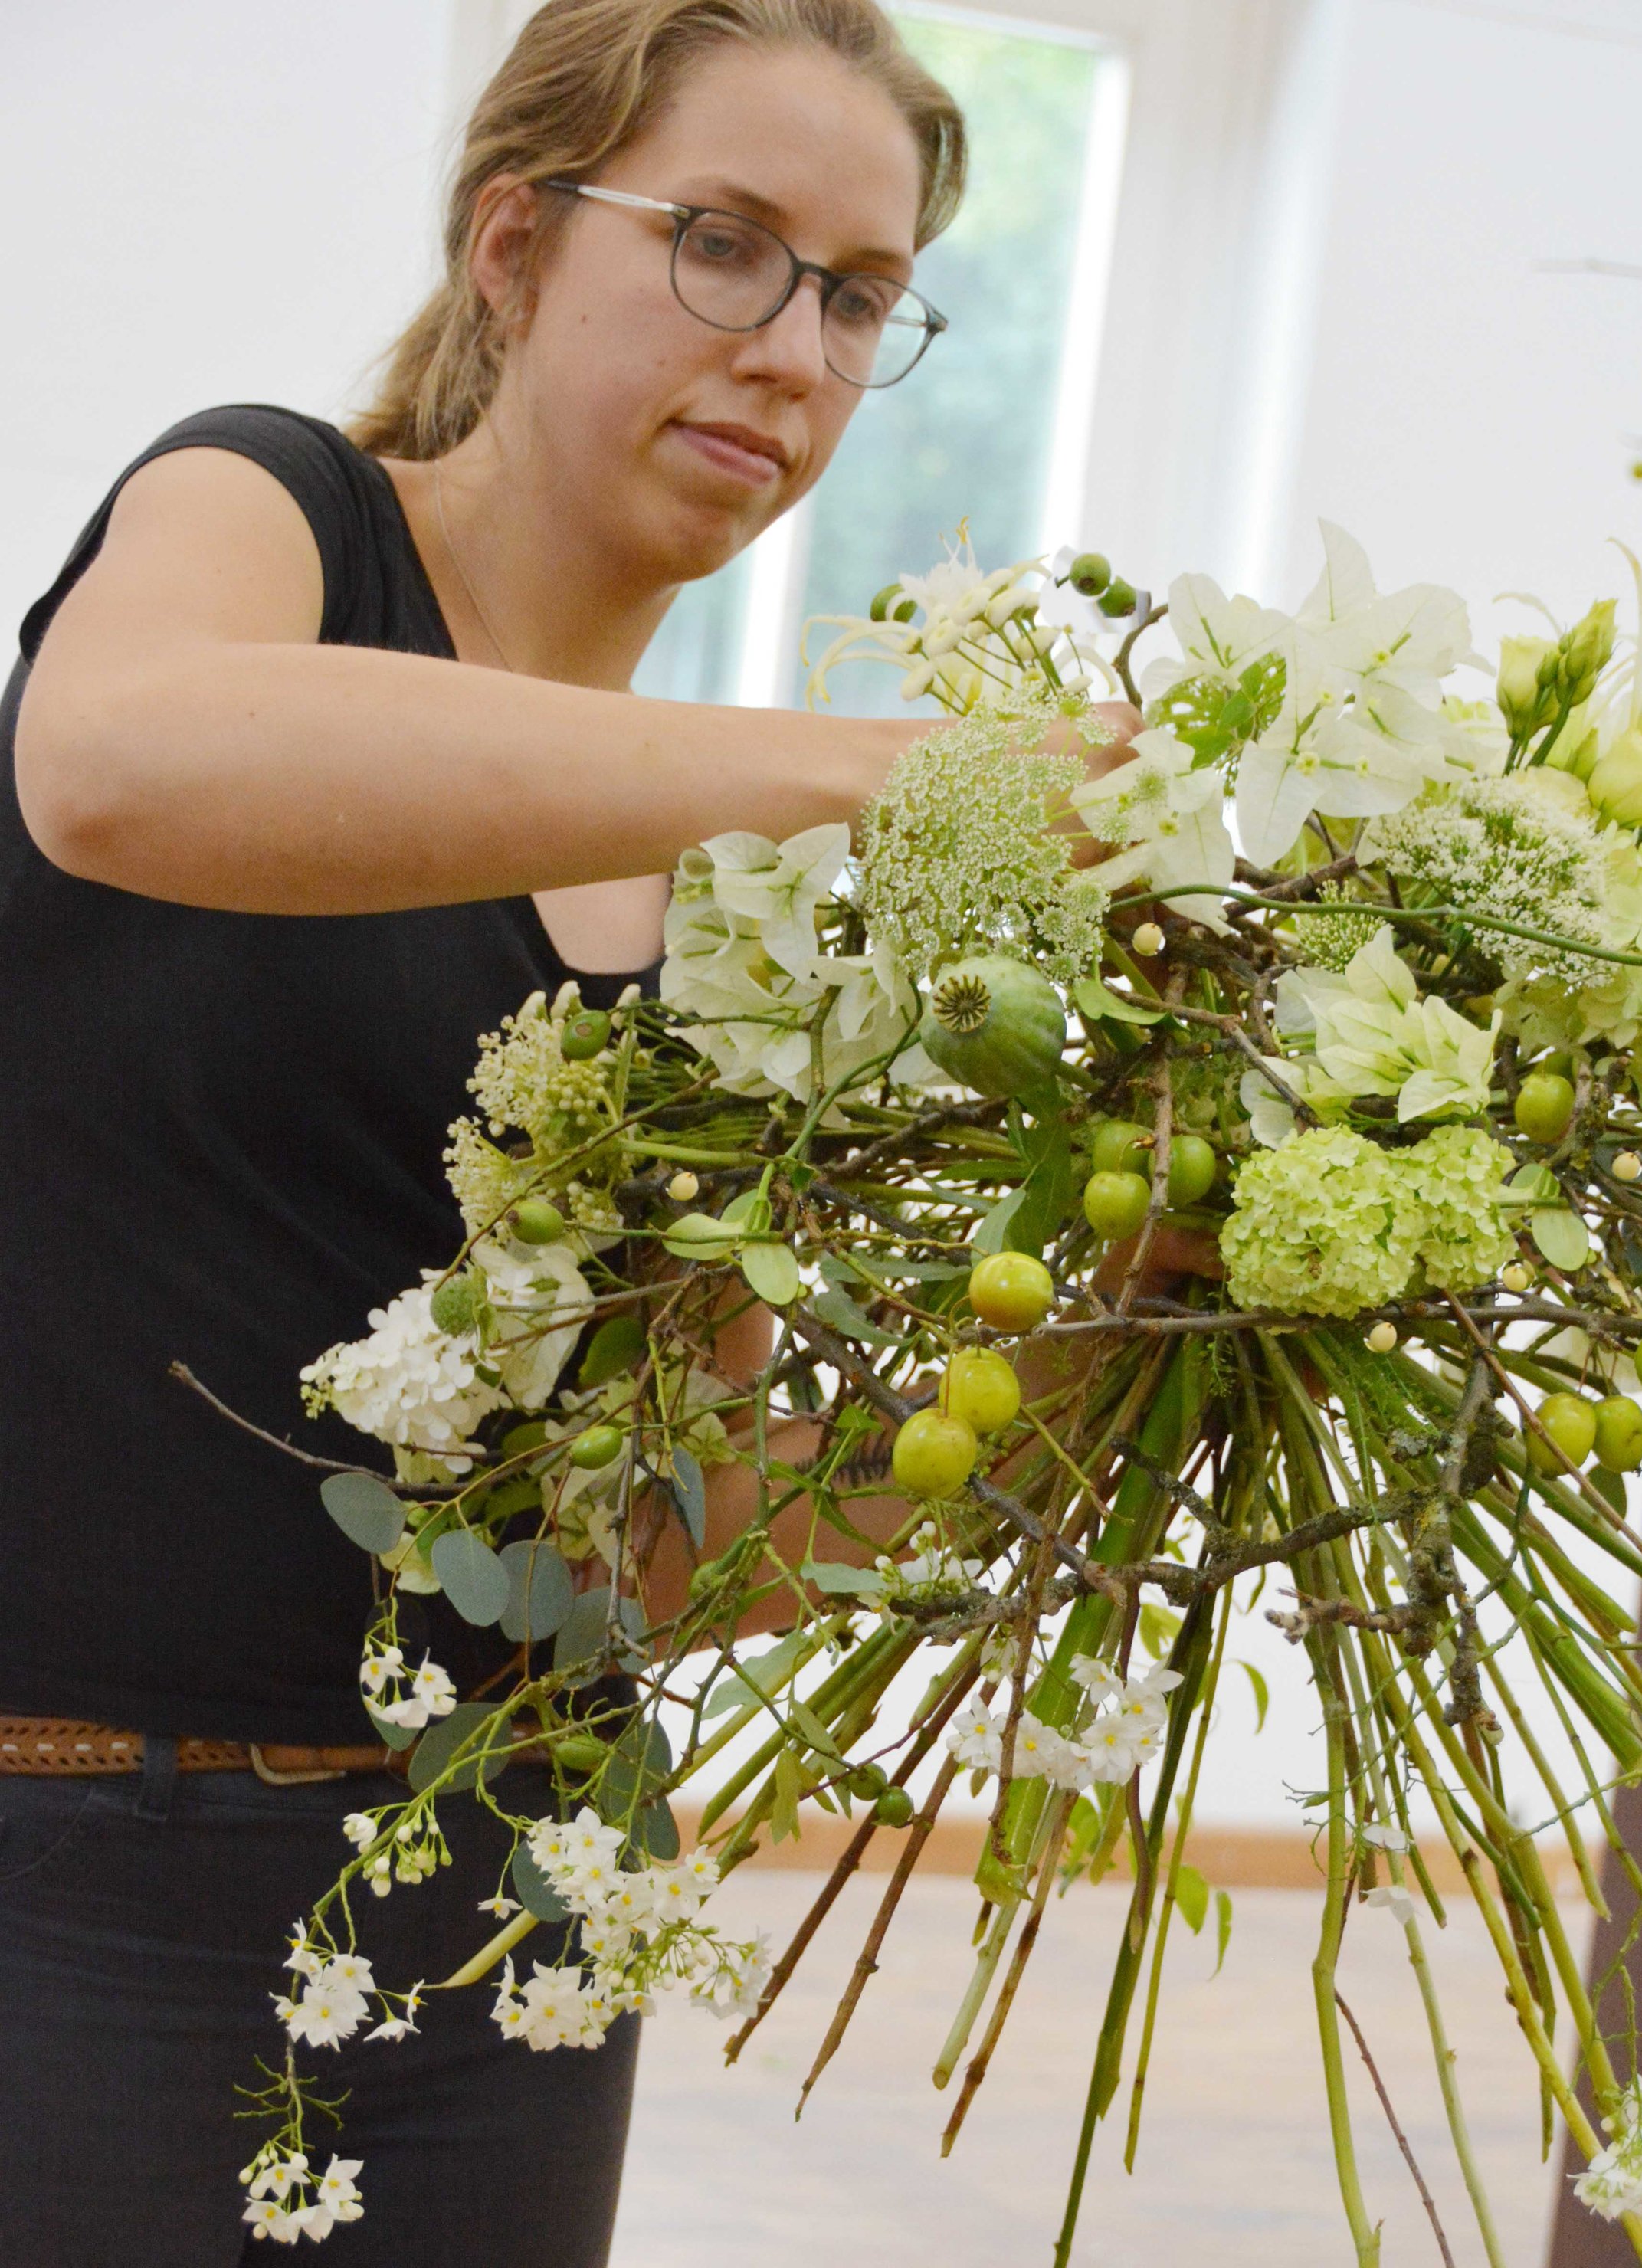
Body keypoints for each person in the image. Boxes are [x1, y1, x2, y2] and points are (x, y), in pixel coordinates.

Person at [0, 3, 1139, 2259]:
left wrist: (1139, 1336)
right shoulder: (269, 511)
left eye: (856, 292)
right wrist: (872, 778)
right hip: (63, 1883)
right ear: (510, 244)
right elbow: (111, 763)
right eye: (721, 243)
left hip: (507, 1906)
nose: (792, 348)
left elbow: (674, 1551)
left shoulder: (739, 917)